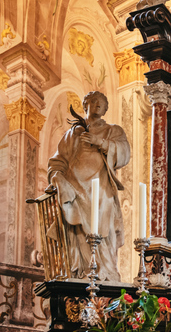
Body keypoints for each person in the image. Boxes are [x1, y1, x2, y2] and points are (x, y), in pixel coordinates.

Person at [47, 91, 130, 280]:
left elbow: (124, 152)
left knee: (104, 232)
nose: (97, 104)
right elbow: (57, 162)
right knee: (77, 236)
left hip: (101, 190)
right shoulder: (73, 134)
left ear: (106, 108)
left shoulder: (112, 130)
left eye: (102, 102)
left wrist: (100, 142)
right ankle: (81, 272)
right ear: (85, 106)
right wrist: (58, 178)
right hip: (75, 190)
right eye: (93, 101)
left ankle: (105, 272)